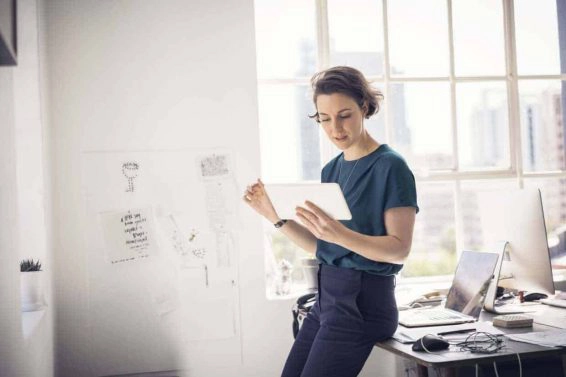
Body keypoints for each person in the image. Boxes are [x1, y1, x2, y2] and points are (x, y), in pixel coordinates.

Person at [243, 66, 419, 377]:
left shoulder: (391, 166)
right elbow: (322, 246)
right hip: (327, 302)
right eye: (324, 119)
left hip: (363, 305)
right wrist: (274, 217)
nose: (335, 128)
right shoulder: (332, 170)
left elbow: (399, 249)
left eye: (344, 115)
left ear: (364, 107)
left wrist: (339, 234)